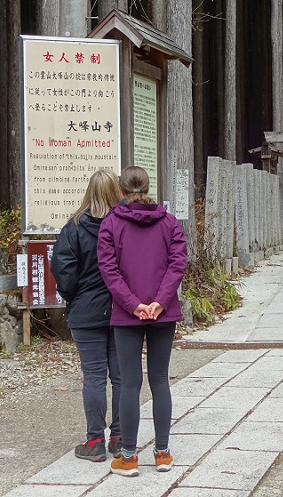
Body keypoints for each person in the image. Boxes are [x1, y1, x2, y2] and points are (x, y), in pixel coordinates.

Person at [97, 165, 188, 477]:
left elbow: (108, 269)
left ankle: (129, 457)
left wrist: (134, 305)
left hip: (127, 314)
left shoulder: (111, 224)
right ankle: (162, 453)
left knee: (129, 383)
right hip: (163, 313)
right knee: (160, 380)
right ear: (149, 188)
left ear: (122, 191)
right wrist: (159, 302)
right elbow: (178, 264)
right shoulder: (169, 222)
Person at [50, 168, 125, 462]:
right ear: (117, 192)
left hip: (85, 311)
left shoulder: (73, 228)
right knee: (121, 377)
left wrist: (74, 298)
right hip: (122, 310)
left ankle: (95, 440)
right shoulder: (124, 226)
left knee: (93, 376)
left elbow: (64, 272)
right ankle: (120, 438)